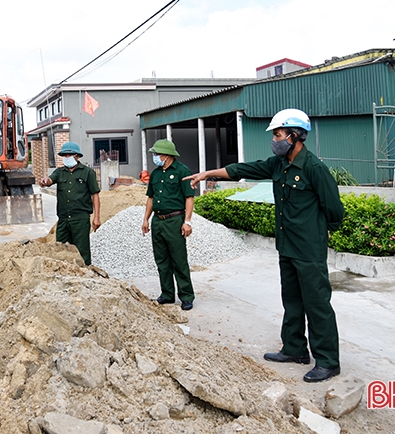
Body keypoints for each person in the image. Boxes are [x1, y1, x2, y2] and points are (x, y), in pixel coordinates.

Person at [185, 108, 345, 383]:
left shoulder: (313, 168)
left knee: (317, 304)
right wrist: (208, 173)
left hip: (308, 249)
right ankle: (295, 349)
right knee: (292, 300)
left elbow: (335, 210)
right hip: (287, 247)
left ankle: (328, 361)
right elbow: (244, 169)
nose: (275, 139)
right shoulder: (278, 164)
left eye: (279, 134)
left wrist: (320, 233)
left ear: (295, 136)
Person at [141, 139, 196, 311]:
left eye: (157, 154)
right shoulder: (156, 174)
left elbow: (189, 198)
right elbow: (150, 198)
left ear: (167, 155)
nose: (155, 157)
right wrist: (146, 219)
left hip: (175, 220)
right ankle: (167, 294)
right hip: (158, 221)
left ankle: (186, 296)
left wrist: (187, 222)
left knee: (179, 260)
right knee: (162, 260)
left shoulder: (182, 171)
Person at [38, 142, 101, 265]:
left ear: (77, 156)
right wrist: (45, 181)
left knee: (82, 251)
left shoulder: (88, 172)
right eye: (65, 155)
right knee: (60, 250)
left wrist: (97, 218)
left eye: (70, 155)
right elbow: (50, 180)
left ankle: (85, 273)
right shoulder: (60, 172)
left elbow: (95, 195)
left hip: (80, 220)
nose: (67, 157)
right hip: (63, 220)